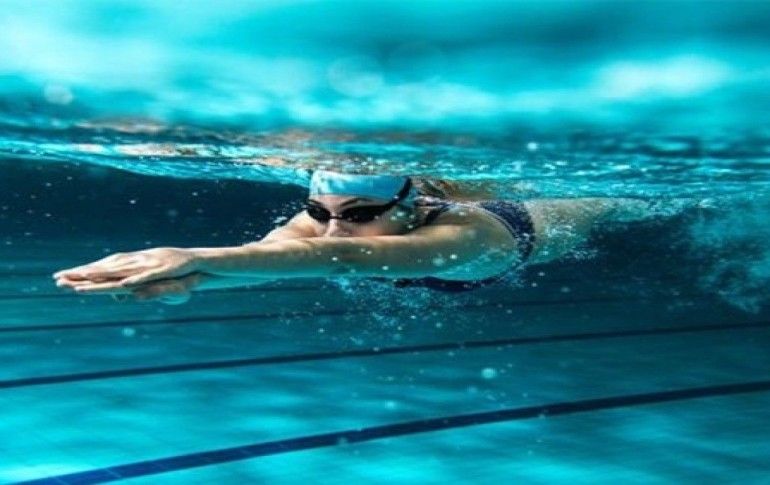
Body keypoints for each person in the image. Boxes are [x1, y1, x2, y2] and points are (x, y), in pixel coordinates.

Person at [53, 170, 654, 303]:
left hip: (562, 213)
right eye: (319, 210)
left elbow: (341, 255)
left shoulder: (467, 237)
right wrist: (192, 281)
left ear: (410, 206)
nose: (334, 225)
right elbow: (269, 258)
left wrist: (190, 255)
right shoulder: (327, 224)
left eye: (361, 211)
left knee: (626, 204)